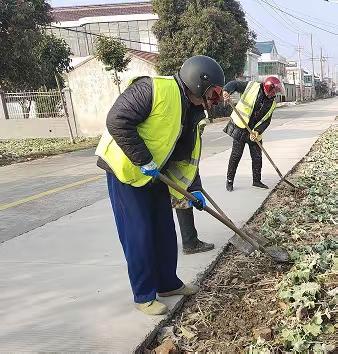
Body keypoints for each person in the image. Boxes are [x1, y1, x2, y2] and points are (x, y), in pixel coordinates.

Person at [95, 55, 224, 315]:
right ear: (199, 83)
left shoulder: (193, 110)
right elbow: (117, 120)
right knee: (139, 233)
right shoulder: (152, 89)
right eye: (214, 93)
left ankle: (167, 283)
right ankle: (144, 295)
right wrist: (143, 159)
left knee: (164, 230)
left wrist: (193, 190)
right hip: (126, 171)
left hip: (156, 173)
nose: (216, 99)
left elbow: (185, 156)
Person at [223, 76, 284, 191]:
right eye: (274, 91)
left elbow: (266, 120)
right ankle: (229, 181)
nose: (274, 94)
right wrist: (226, 91)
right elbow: (234, 84)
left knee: (257, 157)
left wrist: (257, 131)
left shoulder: (271, 103)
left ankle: (257, 181)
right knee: (236, 155)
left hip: (254, 131)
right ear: (268, 88)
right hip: (241, 126)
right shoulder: (252, 86)